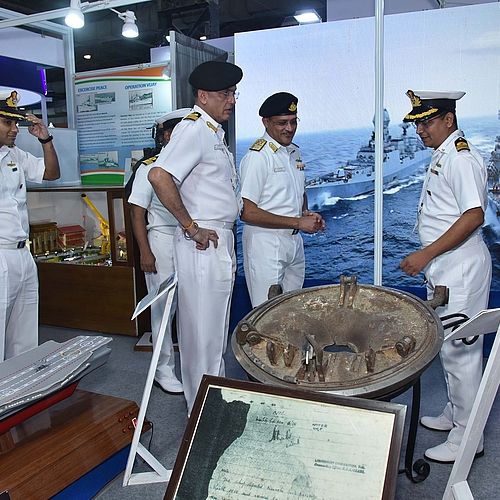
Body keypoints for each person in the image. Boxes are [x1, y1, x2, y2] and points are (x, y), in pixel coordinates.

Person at [400, 90, 491, 463]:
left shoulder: (460, 159)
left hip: (460, 267)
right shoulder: (444, 155)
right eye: (417, 123)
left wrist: (425, 255)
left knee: (461, 352)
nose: (420, 129)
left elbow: (474, 216)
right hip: (446, 268)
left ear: (448, 121)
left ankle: (469, 438)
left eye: (427, 121)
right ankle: (456, 413)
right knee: (450, 347)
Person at [148, 60, 243, 413]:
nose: (231, 100)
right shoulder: (194, 129)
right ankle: (199, 412)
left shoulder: (213, 132)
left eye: (233, 93)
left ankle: (211, 405)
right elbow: (158, 176)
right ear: (203, 96)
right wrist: (190, 226)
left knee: (214, 331)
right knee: (200, 334)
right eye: (224, 94)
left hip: (219, 240)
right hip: (202, 243)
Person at [239, 92, 325, 307]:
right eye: (282, 123)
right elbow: (246, 212)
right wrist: (298, 222)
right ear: (265, 122)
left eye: (293, 122)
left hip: (294, 241)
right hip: (266, 243)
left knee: (291, 311)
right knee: (265, 313)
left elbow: (297, 192)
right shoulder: (258, 157)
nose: (289, 128)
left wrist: (306, 214)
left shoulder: (293, 153)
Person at [128, 108, 190, 394]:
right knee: (163, 309)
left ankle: (190, 365)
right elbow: (137, 212)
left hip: (190, 240)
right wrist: (145, 252)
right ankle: (163, 370)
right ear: (166, 135)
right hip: (162, 241)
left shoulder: (191, 163)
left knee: (190, 307)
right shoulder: (149, 167)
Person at [0, 90, 60, 361]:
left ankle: (20, 393)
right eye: (7, 123)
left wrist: (45, 139)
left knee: (24, 334)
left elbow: (51, 173)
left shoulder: (13, 155)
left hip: (23, 253)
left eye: (16, 123)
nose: (15, 129)